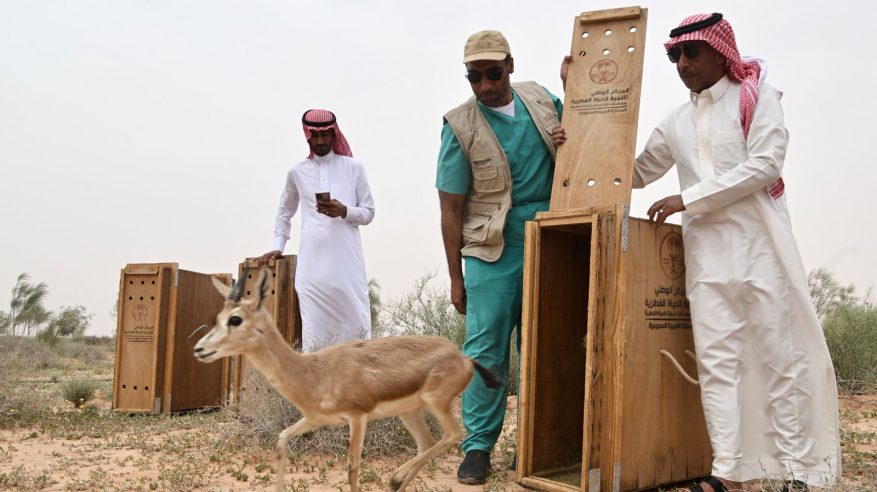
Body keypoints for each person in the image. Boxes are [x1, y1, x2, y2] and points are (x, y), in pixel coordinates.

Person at [630, 13, 840, 492]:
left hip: (760, 249)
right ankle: (729, 471)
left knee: (777, 358)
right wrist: (582, 128)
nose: (681, 63)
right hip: (706, 257)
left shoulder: (757, 98)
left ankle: (796, 472)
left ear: (720, 52)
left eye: (691, 52)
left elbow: (766, 165)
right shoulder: (675, 122)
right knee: (717, 362)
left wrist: (690, 198)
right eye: (673, 55)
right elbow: (636, 172)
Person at [436, 30, 566, 485]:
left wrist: (576, 96)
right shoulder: (459, 124)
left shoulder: (543, 99)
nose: (486, 86)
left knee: (547, 345)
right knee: (486, 349)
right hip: (492, 249)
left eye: (493, 74)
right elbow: (450, 207)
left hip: (552, 236)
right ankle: (477, 449)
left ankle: (542, 445)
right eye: (475, 77)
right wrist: (457, 278)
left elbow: (583, 142)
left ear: (510, 65)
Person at [258, 109, 375, 353]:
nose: (320, 141)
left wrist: (344, 211)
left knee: (356, 334)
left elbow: (369, 212)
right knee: (314, 337)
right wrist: (277, 247)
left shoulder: (354, 168)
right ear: (307, 136)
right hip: (312, 270)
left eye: (325, 135)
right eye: (315, 136)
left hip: (347, 268)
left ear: (333, 134)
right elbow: (284, 212)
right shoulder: (297, 172)